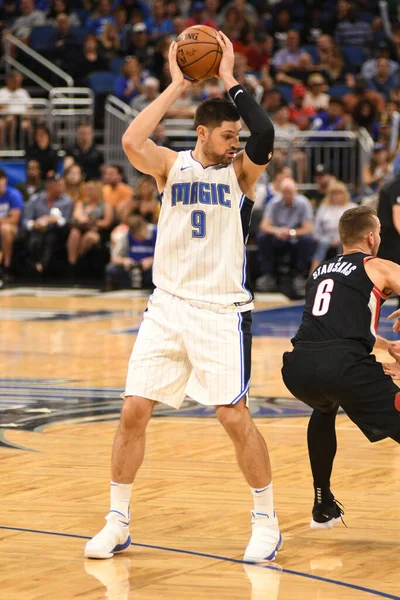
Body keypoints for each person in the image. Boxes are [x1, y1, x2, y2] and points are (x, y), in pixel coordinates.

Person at [84, 31, 281, 564]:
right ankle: (117, 521)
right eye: (224, 135)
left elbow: (263, 130)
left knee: (233, 417)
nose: (235, 142)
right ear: (201, 134)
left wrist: (228, 77)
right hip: (167, 306)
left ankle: (266, 520)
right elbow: (131, 141)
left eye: (234, 135)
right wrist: (175, 83)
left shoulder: (242, 174)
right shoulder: (172, 166)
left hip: (220, 310)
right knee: (132, 412)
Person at [281, 206, 400, 530]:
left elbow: (336, 325)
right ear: (372, 236)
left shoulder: (320, 271)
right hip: (343, 366)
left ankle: (323, 503)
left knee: (324, 406)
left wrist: (386, 345)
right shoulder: (378, 266)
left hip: (299, 367)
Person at [257, 177, 314, 295]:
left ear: (295, 191)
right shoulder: (274, 202)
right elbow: (264, 225)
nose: (287, 195)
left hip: (296, 236)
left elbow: (308, 228)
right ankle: (268, 275)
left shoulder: (303, 203)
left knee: (308, 240)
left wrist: (291, 232)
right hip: (278, 235)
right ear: (281, 192)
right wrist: (277, 231)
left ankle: (300, 275)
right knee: (262, 237)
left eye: (290, 192)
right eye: (285, 192)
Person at [23, 175, 73, 275]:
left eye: (63, 185)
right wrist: (34, 224)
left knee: (51, 238)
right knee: (34, 240)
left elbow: (68, 221)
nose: (62, 187)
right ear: (50, 186)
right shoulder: (35, 199)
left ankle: (41, 267)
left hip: (57, 231)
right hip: (37, 230)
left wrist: (55, 220)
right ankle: (34, 265)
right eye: (59, 185)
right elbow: (26, 220)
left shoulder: (67, 201)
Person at [310, 180, 356, 273]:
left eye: (339, 193)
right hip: (325, 236)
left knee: (343, 245)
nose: (336, 196)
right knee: (323, 243)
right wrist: (318, 237)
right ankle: (313, 273)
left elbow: (354, 228)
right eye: (334, 193)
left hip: (345, 237)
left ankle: (341, 273)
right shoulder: (324, 207)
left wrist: (340, 238)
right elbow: (317, 227)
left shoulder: (351, 207)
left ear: (344, 194)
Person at [67, 180, 113, 271]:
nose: (88, 191)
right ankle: (71, 263)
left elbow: (107, 222)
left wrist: (93, 222)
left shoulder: (105, 205)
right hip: (80, 228)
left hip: (96, 230)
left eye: (91, 189)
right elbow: (77, 214)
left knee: (89, 237)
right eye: (87, 189)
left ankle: (78, 260)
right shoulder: (81, 203)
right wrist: (82, 219)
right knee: (74, 233)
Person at [104, 213, 156, 289]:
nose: (139, 238)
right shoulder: (125, 235)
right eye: (136, 236)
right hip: (132, 268)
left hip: (151, 267)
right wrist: (124, 261)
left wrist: (151, 260)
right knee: (111, 269)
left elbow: (168, 256)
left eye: (141, 234)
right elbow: (113, 258)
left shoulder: (157, 232)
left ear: (144, 226)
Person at [0, 169, 23, 282]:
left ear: (5, 180)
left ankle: (6, 266)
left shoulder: (14, 194)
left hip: (12, 228)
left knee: (4, 229)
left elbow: (14, 219)